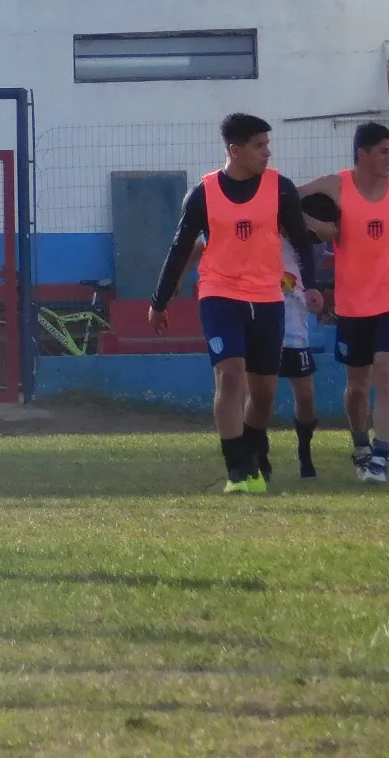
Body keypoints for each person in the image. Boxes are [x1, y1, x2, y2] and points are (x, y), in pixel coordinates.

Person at [149, 114, 321, 494]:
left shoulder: (280, 189)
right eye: (259, 145)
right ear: (235, 150)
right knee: (229, 376)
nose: (267, 152)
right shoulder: (203, 193)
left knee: (263, 393)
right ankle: (237, 471)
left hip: (267, 298)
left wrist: (312, 285)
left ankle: (255, 447)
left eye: (267, 144)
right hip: (219, 293)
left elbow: (302, 241)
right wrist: (159, 300)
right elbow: (180, 250)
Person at [301, 122, 389, 484]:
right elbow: (283, 201)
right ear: (362, 153)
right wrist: (315, 225)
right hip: (352, 305)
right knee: (357, 388)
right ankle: (361, 444)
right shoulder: (335, 186)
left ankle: (381, 456)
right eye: (383, 151)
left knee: (386, 369)